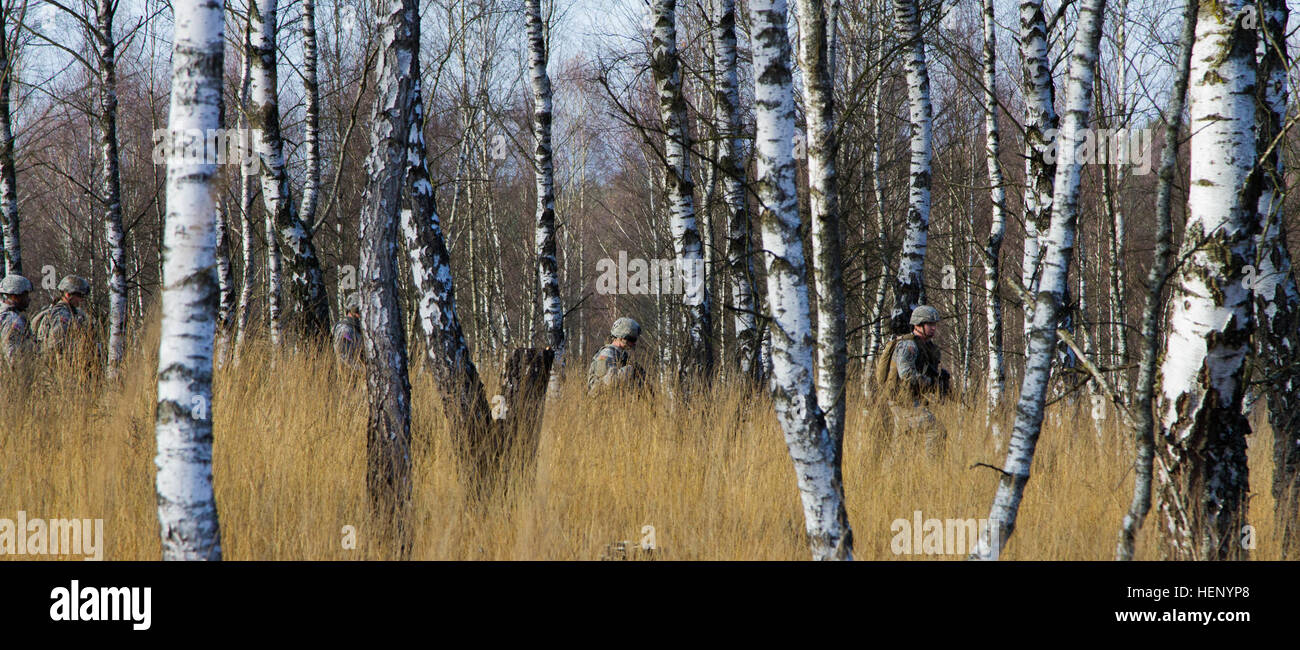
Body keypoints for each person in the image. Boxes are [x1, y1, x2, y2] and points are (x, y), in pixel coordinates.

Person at [876, 305, 951, 454]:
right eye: (930, 324)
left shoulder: (923, 345)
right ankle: (933, 471)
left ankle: (894, 474)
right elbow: (907, 375)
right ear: (918, 325)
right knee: (936, 431)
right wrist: (931, 383)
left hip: (906, 399)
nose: (934, 328)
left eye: (934, 324)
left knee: (901, 446)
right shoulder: (908, 345)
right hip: (903, 400)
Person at [33, 275, 92, 357]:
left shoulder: (69, 311)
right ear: (68, 294)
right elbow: (56, 344)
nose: (82, 299)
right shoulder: (62, 313)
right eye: (79, 296)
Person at [587, 317, 645, 394]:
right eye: (631, 339)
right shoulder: (607, 355)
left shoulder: (621, 355)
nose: (634, 343)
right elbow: (604, 385)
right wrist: (630, 370)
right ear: (621, 337)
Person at [0, 274, 35, 365]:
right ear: (15, 296)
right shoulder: (12, 320)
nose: (28, 299)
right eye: (25, 295)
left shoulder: (5, 315)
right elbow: (13, 356)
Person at [333, 292, 362, 364]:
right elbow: (343, 358)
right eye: (358, 311)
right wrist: (364, 371)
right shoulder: (346, 331)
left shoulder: (356, 328)